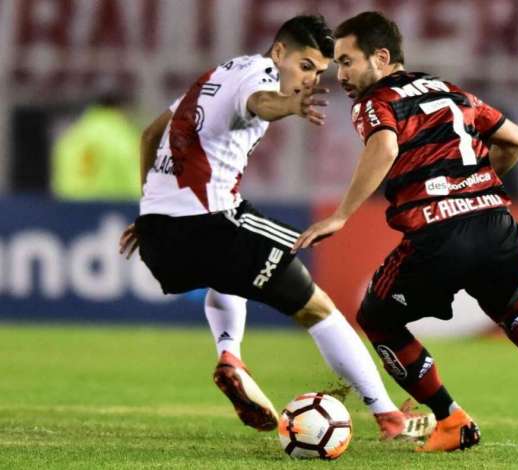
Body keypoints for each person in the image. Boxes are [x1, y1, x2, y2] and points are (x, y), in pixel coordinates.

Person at [118, 15, 430, 440]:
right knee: (319, 310)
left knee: (228, 273)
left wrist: (148, 211)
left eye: (319, 73)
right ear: (279, 52)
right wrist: (289, 106)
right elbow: (262, 101)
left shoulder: (217, 74)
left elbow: (150, 134)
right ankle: (389, 417)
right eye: (305, 67)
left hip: (159, 236)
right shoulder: (259, 75)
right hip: (209, 224)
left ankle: (230, 356)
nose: (309, 81)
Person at [294, 11, 518, 452]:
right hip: (498, 225)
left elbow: (385, 144)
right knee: (506, 300)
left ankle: (451, 419)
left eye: (347, 61)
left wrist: (340, 215)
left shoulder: (376, 101)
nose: (340, 74)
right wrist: (474, 184)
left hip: (438, 234)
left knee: (377, 320)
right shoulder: (450, 90)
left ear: (381, 57)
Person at [52, 91, 141, 201]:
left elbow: (59, 180)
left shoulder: (71, 137)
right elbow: (136, 180)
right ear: (121, 108)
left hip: (70, 209)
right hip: (113, 210)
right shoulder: (124, 137)